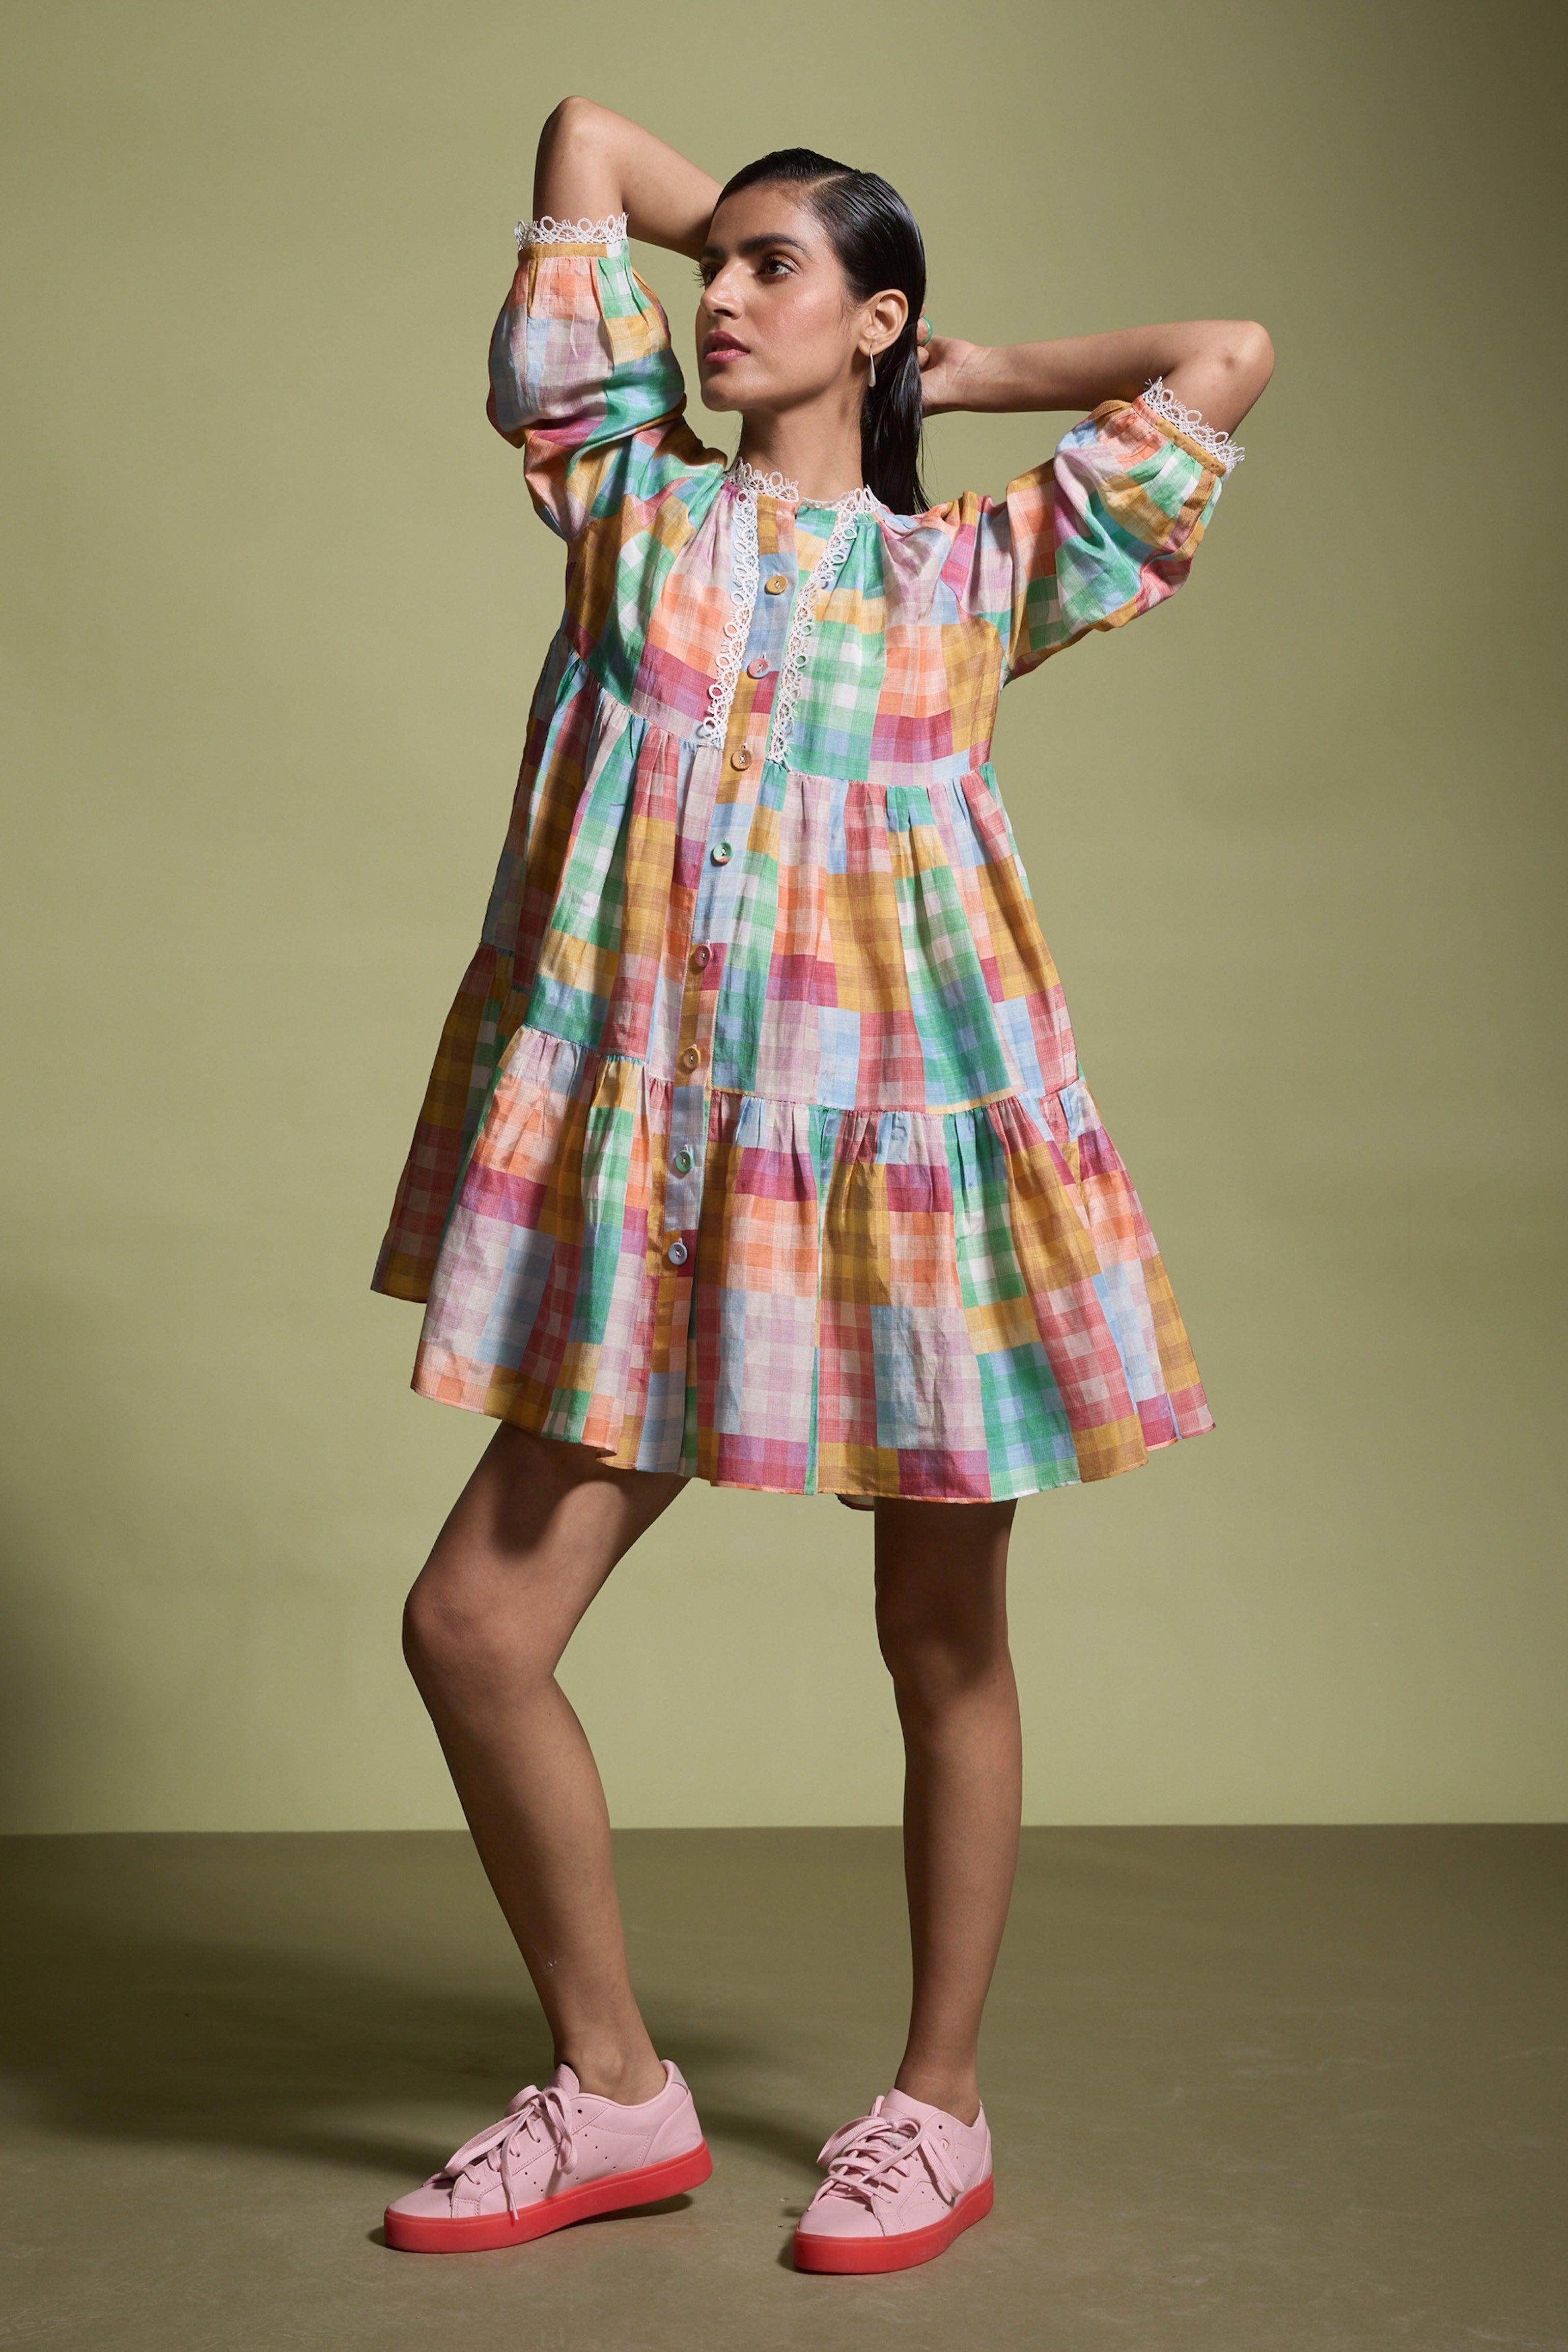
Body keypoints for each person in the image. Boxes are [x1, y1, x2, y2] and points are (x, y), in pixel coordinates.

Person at [370, 97, 1273, 2274]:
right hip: (672, 1181)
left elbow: (1224, 356)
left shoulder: (970, 577)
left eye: (775, 271)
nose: (719, 293)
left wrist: (951, 363)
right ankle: (613, 2091)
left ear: (873, 321)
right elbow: (590, 139)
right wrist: (797, 264)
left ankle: (935, 2107)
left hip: (923, 1174)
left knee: (939, 1632)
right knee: (472, 1626)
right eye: (715, 267)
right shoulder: (627, 503)